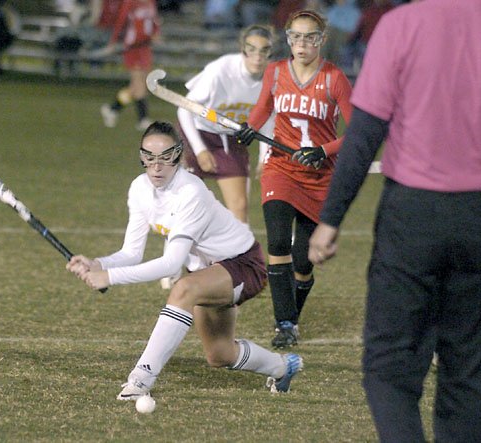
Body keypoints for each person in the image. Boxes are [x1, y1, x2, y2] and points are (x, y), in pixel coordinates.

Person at [308, 1, 481, 441]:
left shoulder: (401, 25)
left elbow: (365, 133)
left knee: (390, 366)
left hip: (413, 216)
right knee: (472, 372)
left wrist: (330, 219)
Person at [66, 121, 304, 400]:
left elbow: (170, 264)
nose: (156, 166)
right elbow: (131, 252)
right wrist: (100, 264)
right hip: (206, 270)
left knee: (183, 289)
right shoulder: (139, 189)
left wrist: (110, 278)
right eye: (148, 157)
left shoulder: (190, 191)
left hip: (243, 264)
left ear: (178, 156)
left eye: (165, 157)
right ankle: (282, 367)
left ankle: (140, 379)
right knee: (220, 354)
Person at [235, 9, 353, 348]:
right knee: (276, 243)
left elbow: (357, 130)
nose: (302, 44)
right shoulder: (274, 72)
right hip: (281, 168)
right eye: (296, 37)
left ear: (321, 40)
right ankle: (283, 323)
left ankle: (292, 316)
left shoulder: (334, 78)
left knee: (303, 261)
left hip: (318, 176)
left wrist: (324, 150)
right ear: (288, 39)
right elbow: (263, 108)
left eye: (309, 37)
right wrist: (250, 128)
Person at [178, 24, 275, 224]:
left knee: (239, 208)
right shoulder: (220, 70)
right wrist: (200, 151)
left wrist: (265, 158)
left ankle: (236, 255)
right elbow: (184, 109)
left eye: (264, 50)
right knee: (188, 206)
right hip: (197, 133)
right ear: (242, 50)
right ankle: (184, 254)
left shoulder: (272, 78)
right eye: (251, 49)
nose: (257, 56)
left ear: (270, 52)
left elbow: (267, 120)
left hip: (232, 139)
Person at [99, 0, 160, 131]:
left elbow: (154, 20)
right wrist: (113, 41)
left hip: (145, 47)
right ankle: (142, 119)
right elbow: (121, 21)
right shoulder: (130, 2)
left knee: (137, 86)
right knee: (139, 85)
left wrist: (156, 32)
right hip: (133, 47)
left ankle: (112, 109)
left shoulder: (150, 2)